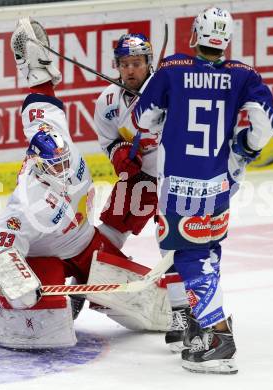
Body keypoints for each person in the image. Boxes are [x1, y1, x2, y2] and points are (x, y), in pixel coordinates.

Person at [0, 18, 172, 350]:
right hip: (46, 258)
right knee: (50, 332)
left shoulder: (53, 133)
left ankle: (91, 282)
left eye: (64, 159)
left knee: (155, 305)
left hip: (85, 245)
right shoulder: (27, 201)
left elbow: (41, 92)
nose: (64, 167)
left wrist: (34, 57)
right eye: (55, 165)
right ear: (40, 166)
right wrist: (20, 285)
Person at [132, 7, 273, 374]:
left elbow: (141, 118)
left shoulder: (172, 69)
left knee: (187, 256)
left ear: (195, 35)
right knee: (204, 250)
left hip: (181, 185)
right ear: (226, 40)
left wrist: (165, 109)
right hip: (217, 184)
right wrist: (245, 146)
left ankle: (218, 335)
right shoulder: (242, 75)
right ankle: (198, 321)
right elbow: (264, 122)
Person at [94, 33, 189, 352]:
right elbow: (108, 140)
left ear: (149, 64)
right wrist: (119, 152)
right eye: (124, 64)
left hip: (174, 176)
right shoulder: (107, 102)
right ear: (116, 67)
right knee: (109, 229)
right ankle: (86, 284)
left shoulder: (170, 93)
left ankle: (182, 315)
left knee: (170, 242)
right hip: (139, 177)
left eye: (136, 63)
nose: (130, 70)